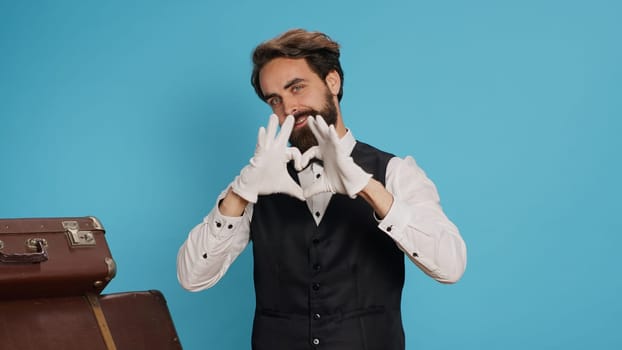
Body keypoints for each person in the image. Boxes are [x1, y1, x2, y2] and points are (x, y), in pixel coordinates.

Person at [177, 28, 467, 350]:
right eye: (275, 100)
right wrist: (240, 193)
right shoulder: (258, 179)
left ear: (333, 82)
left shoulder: (395, 172)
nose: (288, 108)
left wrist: (366, 187)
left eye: (297, 88)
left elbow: (450, 265)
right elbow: (192, 277)